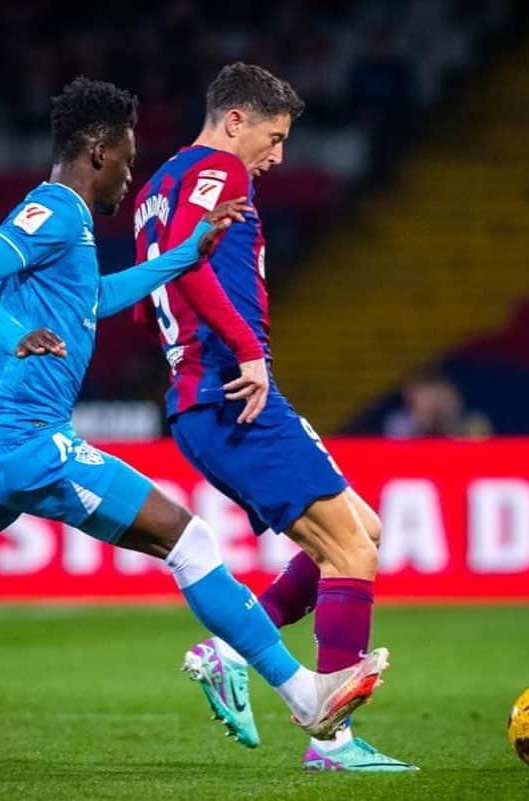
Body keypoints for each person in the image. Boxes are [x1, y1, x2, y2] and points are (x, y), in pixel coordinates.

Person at [0, 77, 390, 742]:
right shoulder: (54, 210)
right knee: (187, 539)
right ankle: (304, 694)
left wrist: (187, 255)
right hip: (22, 438)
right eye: (128, 159)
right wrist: (14, 333)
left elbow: (94, 298)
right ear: (98, 150)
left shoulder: (71, 232)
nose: (131, 175)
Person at [132, 63, 416, 772]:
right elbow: (187, 262)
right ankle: (332, 743)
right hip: (233, 391)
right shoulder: (218, 172)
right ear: (235, 121)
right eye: (274, 135)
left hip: (204, 393)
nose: (278, 155)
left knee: (362, 530)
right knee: (350, 553)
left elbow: (149, 293)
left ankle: (228, 649)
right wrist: (246, 350)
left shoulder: (152, 189)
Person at [383, 369, 492, 439]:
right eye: (427, 395)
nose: (434, 400)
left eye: (439, 394)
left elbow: (480, 453)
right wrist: (423, 423)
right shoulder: (398, 422)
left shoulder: (474, 422)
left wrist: (450, 423)